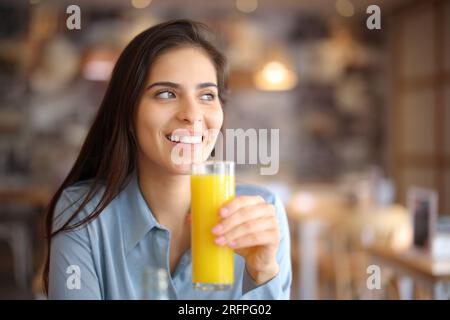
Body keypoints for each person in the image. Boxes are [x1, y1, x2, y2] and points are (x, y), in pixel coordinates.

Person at [43, 19, 291, 299]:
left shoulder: (261, 215)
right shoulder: (84, 215)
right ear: (127, 111)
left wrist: (263, 271)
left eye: (207, 95)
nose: (192, 113)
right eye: (166, 94)